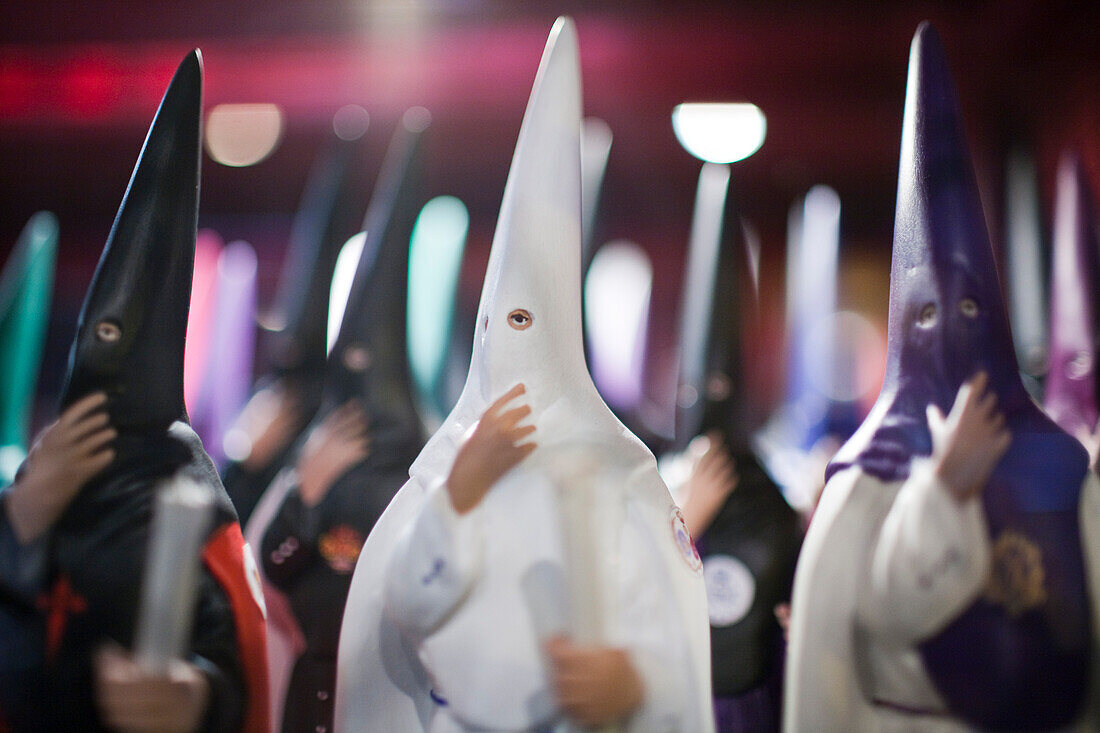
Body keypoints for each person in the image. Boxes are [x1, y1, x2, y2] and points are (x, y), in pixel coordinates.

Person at [335, 18, 714, 732]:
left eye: (529, 324)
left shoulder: (615, 475)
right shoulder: (449, 465)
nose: (517, 344)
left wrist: (633, 680)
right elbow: (408, 603)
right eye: (503, 324)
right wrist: (459, 497)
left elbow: (667, 633)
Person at [783, 23, 1100, 731]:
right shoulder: (871, 471)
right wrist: (941, 491)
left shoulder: (1057, 458)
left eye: (966, 306)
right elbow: (865, 626)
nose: (950, 328)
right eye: (926, 311)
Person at [0, 51, 269, 732]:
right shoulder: (44, 475)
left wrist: (197, 696)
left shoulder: (189, 494)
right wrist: (19, 520)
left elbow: (227, 646)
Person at [254, 108, 430, 732]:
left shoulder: (428, 472)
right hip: (309, 693)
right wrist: (304, 491)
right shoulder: (312, 458)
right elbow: (272, 565)